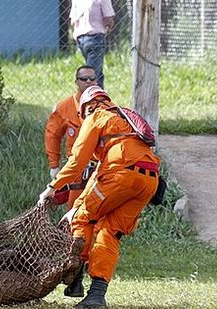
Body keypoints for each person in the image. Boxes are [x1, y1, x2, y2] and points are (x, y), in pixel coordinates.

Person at [38, 85, 160, 308]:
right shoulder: (122, 119)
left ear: (87, 106)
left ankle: (75, 277)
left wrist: (52, 187)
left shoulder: (96, 115)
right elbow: (99, 174)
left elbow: (77, 162)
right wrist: (77, 201)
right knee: (109, 231)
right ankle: (96, 295)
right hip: (149, 180)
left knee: (82, 218)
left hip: (120, 173)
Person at [44, 65, 98, 211]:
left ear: (96, 82)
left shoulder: (104, 105)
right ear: (76, 82)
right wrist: (54, 165)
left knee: (99, 212)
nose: (88, 81)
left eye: (92, 79)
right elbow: (52, 136)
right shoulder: (65, 107)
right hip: (77, 169)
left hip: (100, 168)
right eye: (84, 78)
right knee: (74, 212)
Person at [70, 0, 114, 89]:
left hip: (81, 39)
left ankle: (101, 99)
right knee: (92, 75)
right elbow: (108, 18)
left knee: (97, 72)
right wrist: (109, 27)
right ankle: (89, 98)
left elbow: (73, 21)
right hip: (96, 37)